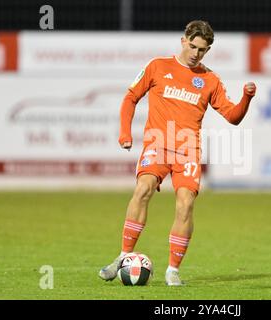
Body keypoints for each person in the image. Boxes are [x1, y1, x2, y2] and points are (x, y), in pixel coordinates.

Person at [99, 20, 256, 286]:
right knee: (143, 189)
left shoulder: (210, 80)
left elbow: (232, 116)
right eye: (193, 46)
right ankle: (123, 257)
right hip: (157, 144)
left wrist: (246, 98)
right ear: (183, 40)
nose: (196, 53)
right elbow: (130, 98)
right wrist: (125, 133)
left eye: (203, 50)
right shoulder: (158, 66)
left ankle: (173, 271)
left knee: (185, 204)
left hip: (188, 150)